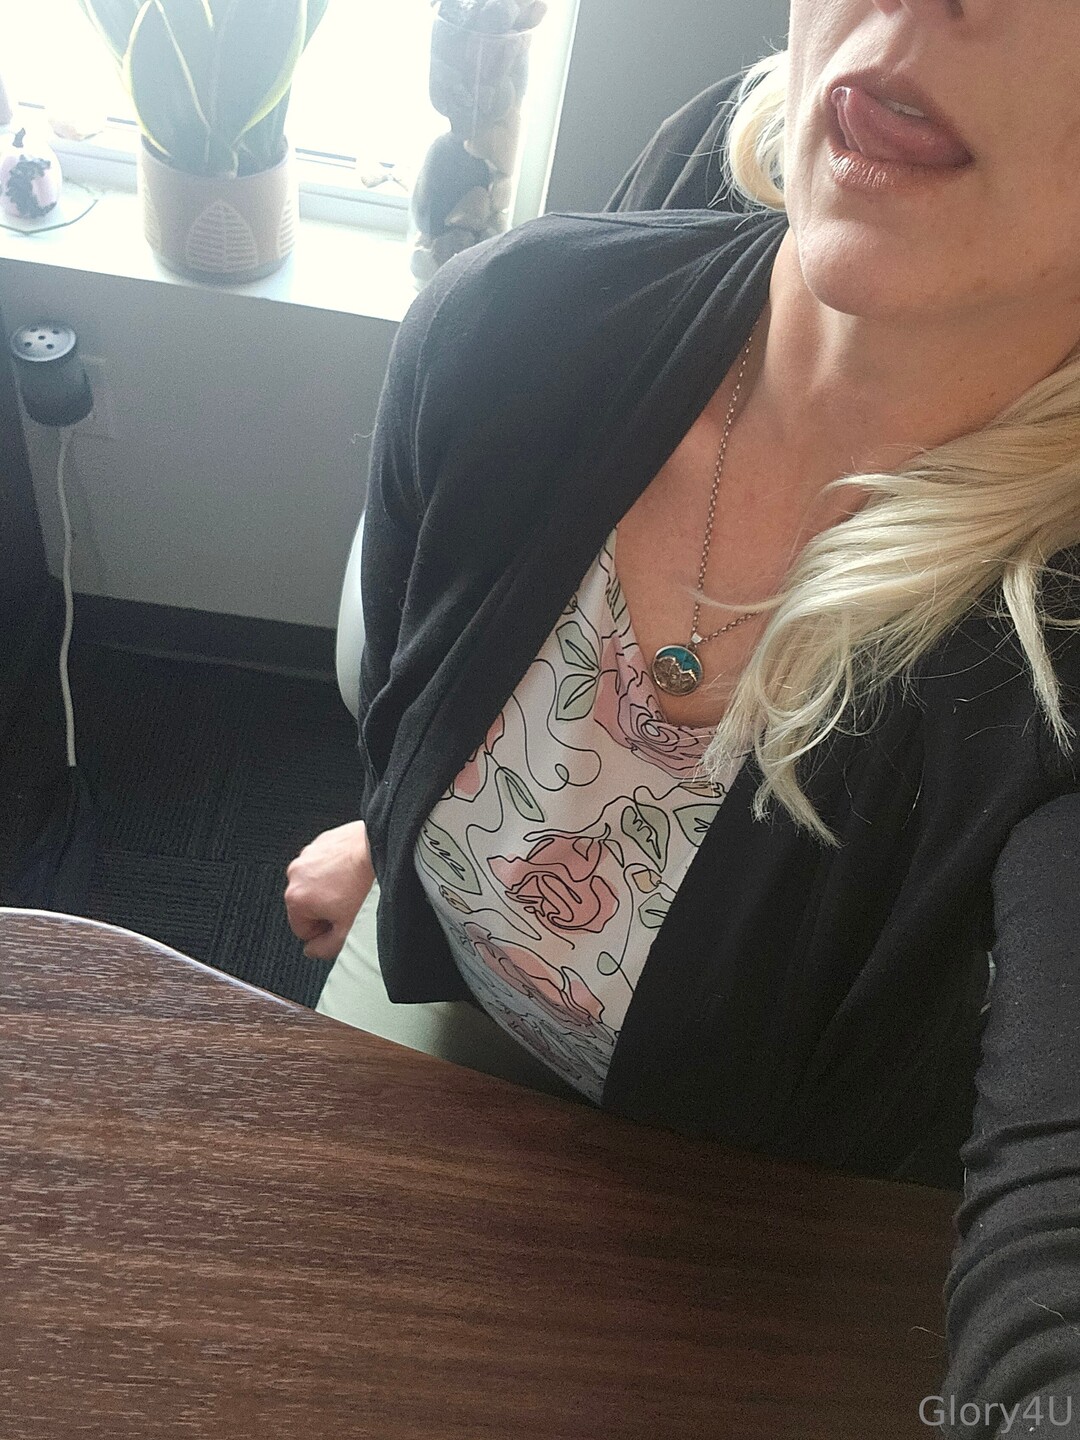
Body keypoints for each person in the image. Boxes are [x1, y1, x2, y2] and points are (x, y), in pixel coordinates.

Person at [285, 1, 1080, 1429]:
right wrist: (401, 843)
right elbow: (407, 683)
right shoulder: (510, 326)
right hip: (445, 1029)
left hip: (745, 1251)